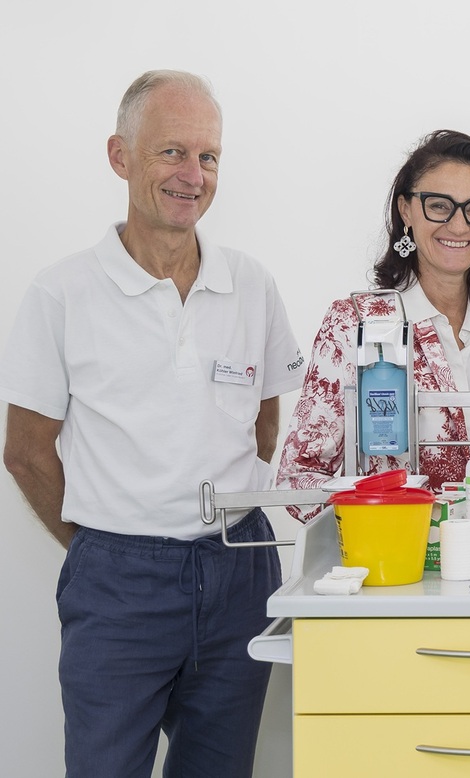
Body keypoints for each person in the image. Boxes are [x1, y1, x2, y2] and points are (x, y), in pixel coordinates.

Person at [0, 71, 304, 776]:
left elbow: (265, 418)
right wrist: (107, 545)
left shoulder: (250, 284)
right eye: (171, 152)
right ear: (120, 156)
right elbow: (25, 452)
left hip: (238, 570)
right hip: (118, 584)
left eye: (209, 158)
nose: (192, 176)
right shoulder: (62, 292)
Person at [278, 129, 470, 509]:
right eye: (439, 206)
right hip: (396, 563)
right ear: (406, 210)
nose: (459, 226)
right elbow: (299, 476)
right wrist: (392, 524)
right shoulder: (355, 325)